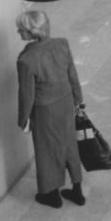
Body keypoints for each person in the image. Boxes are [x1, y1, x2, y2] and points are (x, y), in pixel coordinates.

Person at [16, 11, 85, 209]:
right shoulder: (62, 44)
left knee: (46, 151)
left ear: (31, 31)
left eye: (21, 29)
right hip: (66, 102)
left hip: (45, 111)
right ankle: (77, 190)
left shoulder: (26, 60)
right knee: (69, 144)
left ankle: (51, 195)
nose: (18, 32)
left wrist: (23, 120)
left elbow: (26, 95)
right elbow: (73, 75)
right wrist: (78, 100)